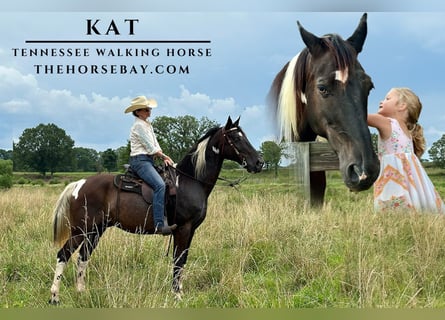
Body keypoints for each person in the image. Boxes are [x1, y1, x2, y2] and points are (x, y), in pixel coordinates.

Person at [367, 87, 445, 213]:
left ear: (402, 106)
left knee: (392, 212)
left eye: (387, 98)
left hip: (392, 177)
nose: (381, 101)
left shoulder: (385, 122)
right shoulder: (407, 132)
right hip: (408, 182)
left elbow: (357, 117)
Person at [125, 96, 178, 235]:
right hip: (140, 161)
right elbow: (149, 147)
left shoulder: (147, 124)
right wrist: (163, 156)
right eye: (146, 109)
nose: (150, 111)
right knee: (160, 185)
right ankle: (159, 225)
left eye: (149, 108)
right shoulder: (138, 125)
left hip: (149, 160)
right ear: (138, 112)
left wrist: (163, 156)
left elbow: (155, 144)